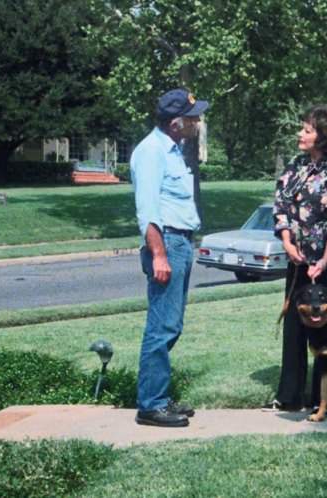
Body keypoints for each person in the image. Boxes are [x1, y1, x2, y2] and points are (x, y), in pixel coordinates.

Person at [268, 104, 327, 415]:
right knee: (295, 324)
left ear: (324, 136)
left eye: (307, 130)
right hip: (298, 259)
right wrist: (287, 242)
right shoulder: (296, 167)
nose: (301, 133)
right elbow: (280, 205)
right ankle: (290, 395)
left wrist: (324, 258)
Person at [130, 88, 208, 428]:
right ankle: (151, 405)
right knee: (161, 326)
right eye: (194, 118)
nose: (198, 122)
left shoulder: (173, 150)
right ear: (177, 123)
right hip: (168, 244)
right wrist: (159, 255)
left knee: (170, 324)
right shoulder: (150, 152)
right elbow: (148, 211)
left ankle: (157, 396)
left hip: (180, 243)